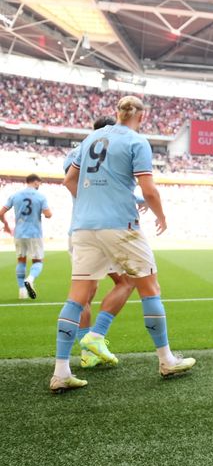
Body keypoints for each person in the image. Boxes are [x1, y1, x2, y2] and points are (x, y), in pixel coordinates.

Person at [50, 95, 195, 393]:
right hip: (120, 225)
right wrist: (161, 216)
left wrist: (91, 202)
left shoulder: (91, 138)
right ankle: (166, 359)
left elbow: (69, 180)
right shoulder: (136, 141)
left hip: (83, 227)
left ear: (116, 113)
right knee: (149, 288)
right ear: (141, 117)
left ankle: (61, 372)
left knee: (76, 298)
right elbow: (149, 189)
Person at [64, 116, 139, 368]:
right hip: (106, 228)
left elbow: (73, 182)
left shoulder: (78, 150)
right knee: (127, 281)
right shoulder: (117, 148)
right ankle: (96, 337)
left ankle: (87, 353)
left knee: (84, 293)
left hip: (79, 227)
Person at [0, 174, 51, 299]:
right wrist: (43, 212)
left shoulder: (15, 195)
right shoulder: (41, 197)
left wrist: (6, 225)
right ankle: (30, 279)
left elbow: (1, 212)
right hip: (34, 233)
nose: (39, 185)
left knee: (21, 260)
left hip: (19, 233)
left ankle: (22, 290)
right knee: (38, 261)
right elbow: (48, 214)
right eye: (39, 183)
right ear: (35, 182)